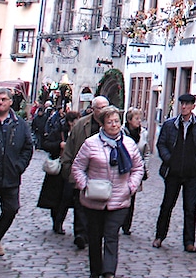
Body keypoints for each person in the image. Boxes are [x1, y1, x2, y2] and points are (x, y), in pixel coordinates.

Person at [71, 106, 144, 278]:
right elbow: (78, 167)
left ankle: (109, 271)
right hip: (94, 199)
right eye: (110, 122)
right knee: (95, 237)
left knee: (111, 235)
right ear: (103, 124)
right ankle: (95, 271)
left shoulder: (128, 144)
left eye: (116, 121)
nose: (114, 125)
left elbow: (138, 168)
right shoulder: (91, 143)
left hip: (120, 198)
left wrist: (131, 187)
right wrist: (85, 186)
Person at [0, 87, 33, 263]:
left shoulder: (20, 124)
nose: (0, 102)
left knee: (11, 210)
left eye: (3, 99)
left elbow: (27, 147)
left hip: (10, 176)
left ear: (10, 102)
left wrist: (19, 166)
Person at [153, 93, 196, 253]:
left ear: (193, 106)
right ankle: (159, 236)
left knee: (190, 208)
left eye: (187, 104)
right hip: (173, 172)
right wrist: (169, 159)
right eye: (182, 104)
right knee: (167, 205)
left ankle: (189, 241)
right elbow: (161, 144)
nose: (184, 107)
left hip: (192, 173)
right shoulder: (170, 124)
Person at [61, 96, 110, 250]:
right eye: (99, 108)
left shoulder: (112, 125)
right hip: (82, 170)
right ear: (92, 109)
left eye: (105, 107)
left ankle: (94, 233)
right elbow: (70, 148)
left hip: (102, 173)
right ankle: (80, 234)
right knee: (80, 203)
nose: (102, 111)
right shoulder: (82, 125)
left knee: (98, 205)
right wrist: (68, 170)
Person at [37, 110, 79, 234]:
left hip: (71, 169)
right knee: (55, 197)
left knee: (67, 197)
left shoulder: (80, 133)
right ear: (70, 122)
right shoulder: (59, 131)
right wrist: (59, 145)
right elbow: (45, 144)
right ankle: (55, 220)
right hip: (58, 169)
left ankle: (59, 222)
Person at [121, 108, 150, 236]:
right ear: (129, 120)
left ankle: (127, 225)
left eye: (140, 119)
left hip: (136, 170)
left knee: (131, 197)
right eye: (136, 119)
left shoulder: (143, 133)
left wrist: (145, 168)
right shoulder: (121, 132)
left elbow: (146, 152)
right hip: (122, 169)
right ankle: (117, 221)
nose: (139, 121)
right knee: (119, 195)